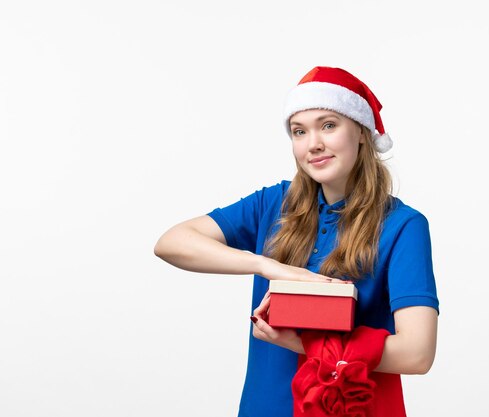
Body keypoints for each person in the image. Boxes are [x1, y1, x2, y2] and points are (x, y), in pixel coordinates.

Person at [154, 66, 439, 417]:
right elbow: (171, 242)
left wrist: (304, 342)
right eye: (299, 131)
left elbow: (417, 353)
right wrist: (269, 266)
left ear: (362, 132)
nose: (313, 143)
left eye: (329, 125)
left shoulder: (402, 225)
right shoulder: (273, 204)